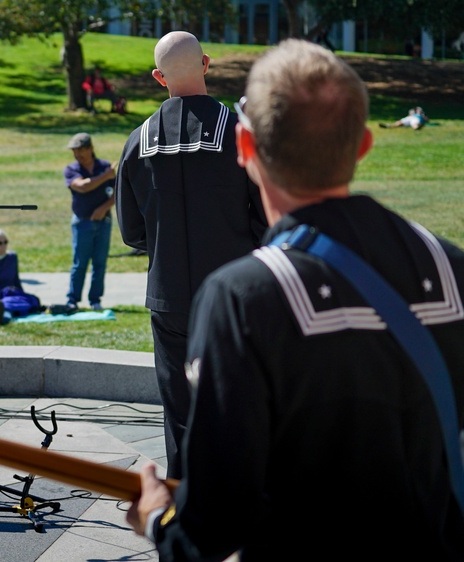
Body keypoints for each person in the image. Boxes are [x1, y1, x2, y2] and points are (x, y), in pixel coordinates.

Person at [127, 39, 464, 559]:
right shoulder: (451, 265)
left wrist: (156, 521)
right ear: (364, 144)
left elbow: (211, 529)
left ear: (247, 149)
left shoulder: (243, 299)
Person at [115, 31, 267, 480]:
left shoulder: (137, 140)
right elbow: (266, 217)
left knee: (180, 412)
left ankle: (186, 513)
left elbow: (131, 232)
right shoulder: (239, 133)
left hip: (168, 298)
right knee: (239, 404)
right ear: (206, 63)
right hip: (233, 296)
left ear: (158, 77)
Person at [63, 132, 115, 311]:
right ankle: (73, 300)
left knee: (100, 263)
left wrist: (103, 209)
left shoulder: (104, 166)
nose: (77, 155)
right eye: (75, 151)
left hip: (104, 222)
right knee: (80, 263)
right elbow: (82, 187)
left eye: (80, 150)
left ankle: (95, 300)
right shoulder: (72, 169)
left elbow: (118, 193)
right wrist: (105, 176)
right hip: (82, 222)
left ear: (90, 148)